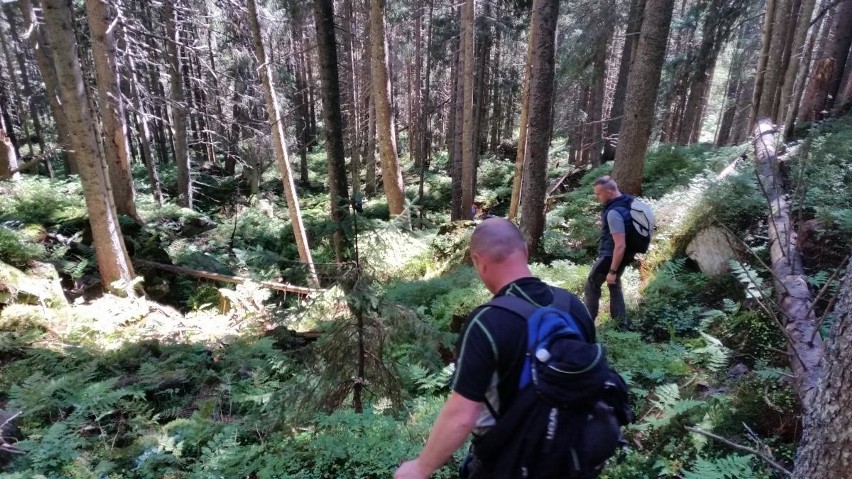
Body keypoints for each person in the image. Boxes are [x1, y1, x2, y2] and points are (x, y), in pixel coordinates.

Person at [394, 218, 594, 479]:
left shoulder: (486, 323)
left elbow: (463, 415)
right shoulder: (572, 306)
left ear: (479, 261)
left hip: (510, 464)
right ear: (525, 249)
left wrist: (421, 468)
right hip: (573, 458)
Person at [584, 176, 635, 330]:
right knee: (614, 285)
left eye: (599, 194)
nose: (596, 197)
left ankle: (586, 326)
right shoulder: (629, 203)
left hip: (611, 255)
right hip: (627, 253)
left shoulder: (614, 212)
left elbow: (620, 245)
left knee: (592, 285)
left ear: (609, 191)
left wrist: (612, 270)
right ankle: (621, 326)